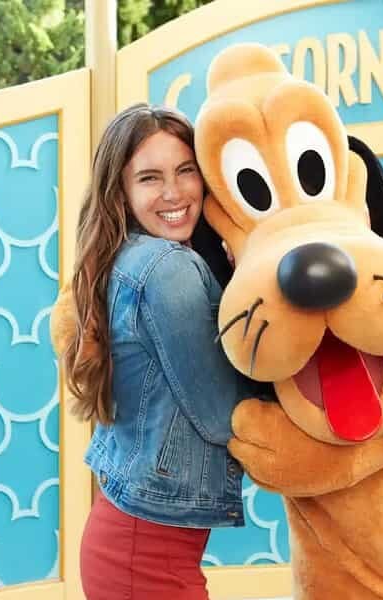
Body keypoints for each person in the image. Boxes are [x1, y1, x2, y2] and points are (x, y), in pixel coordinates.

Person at [55, 103, 258, 600]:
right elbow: (219, 413)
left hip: (130, 542)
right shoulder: (167, 269)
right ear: (120, 194)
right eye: (150, 178)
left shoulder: (126, 257)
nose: (173, 192)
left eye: (185, 171)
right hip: (144, 558)